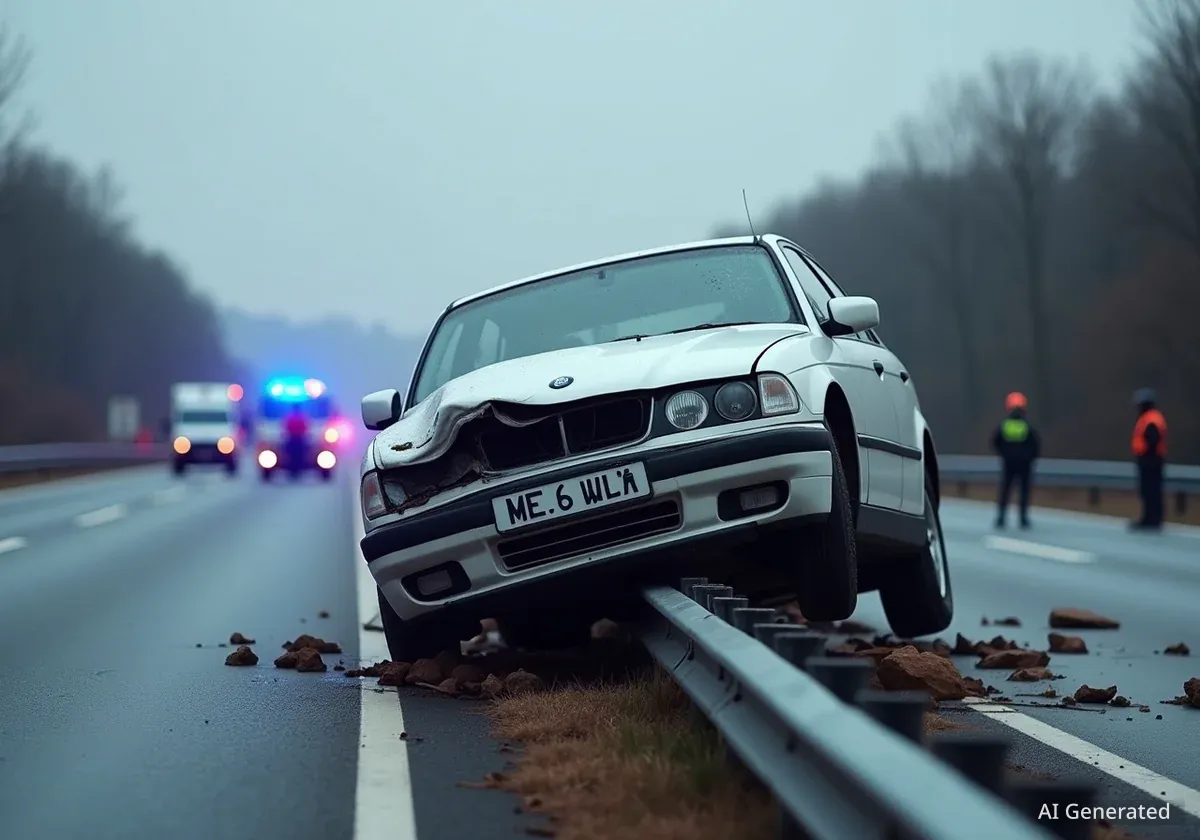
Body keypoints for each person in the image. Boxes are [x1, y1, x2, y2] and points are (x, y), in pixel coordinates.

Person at [991, 391, 1041, 529]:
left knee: (1006, 490)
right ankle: (1023, 518)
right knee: (1024, 491)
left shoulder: (1005, 425)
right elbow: (1035, 444)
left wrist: (1004, 454)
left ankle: (1001, 518)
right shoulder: (1027, 426)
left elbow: (995, 441)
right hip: (1025, 464)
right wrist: (1031, 458)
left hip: (1009, 463)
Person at [1130, 388, 1167, 531]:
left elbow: (1152, 440)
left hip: (1151, 461)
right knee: (1148, 490)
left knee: (1151, 490)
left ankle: (1152, 519)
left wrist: (1147, 457)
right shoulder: (1150, 418)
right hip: (1150, 460)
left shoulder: (1151, 419)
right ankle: (1149, 518)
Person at [282, 405, 310, 469]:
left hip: (293, 438)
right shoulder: (302, 416)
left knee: (290, 453)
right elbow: (306, 427)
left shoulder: (290, 416)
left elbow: (286, 426)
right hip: (299, 439)